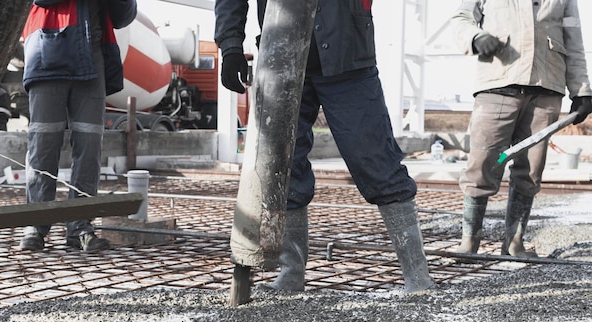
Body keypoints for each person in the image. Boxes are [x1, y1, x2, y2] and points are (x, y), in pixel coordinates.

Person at [215, 0, 434, 293]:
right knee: (283, 165)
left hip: (349, 57)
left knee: (377, 161)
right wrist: (230, 45)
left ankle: (417, 276)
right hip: (281, 57)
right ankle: (291, 274)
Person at [451, 0, 592, 257]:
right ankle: (469, 243)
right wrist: (476, 37)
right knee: (482, 165)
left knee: (530, 170)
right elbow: (461, 19)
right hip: (498, 83)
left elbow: (574, 40)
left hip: (546, 89)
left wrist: (581, 90)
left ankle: (514, 243)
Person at [19, 0, 137, 252]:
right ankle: (35, 226)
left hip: (91, 59)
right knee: (43, 143)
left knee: (89, 145)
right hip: (47, 50)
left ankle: (80, 226)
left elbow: (123, 17)